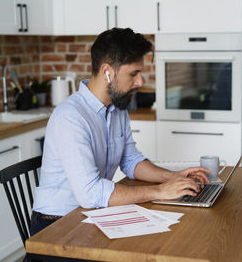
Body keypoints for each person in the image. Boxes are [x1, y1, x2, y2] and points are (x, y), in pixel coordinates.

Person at [30, 28, 210, 236]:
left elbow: (130, 160)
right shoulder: (70, 117)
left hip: (91, 214)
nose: (140, 82)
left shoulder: (117, 108)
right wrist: (160, 191)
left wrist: (171, 177)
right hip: (56, 224)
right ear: (107, 71)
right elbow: (90, 193)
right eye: (133, 73)